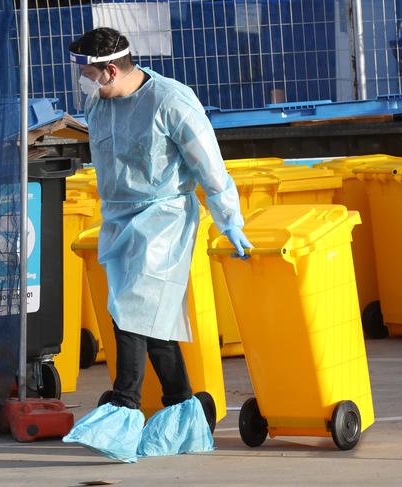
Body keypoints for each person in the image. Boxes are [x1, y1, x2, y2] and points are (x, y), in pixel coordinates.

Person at [62, 27, 252, 463]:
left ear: (111, 70)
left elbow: (209, 163)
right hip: (119, 219)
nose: (82, 84)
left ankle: (124, 404)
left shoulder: (171, 100)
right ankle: (184, 412)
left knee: (130, 308)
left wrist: (228, 219)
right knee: (154, 325)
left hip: (163, 220)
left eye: (87, 74)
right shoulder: (99, 102)